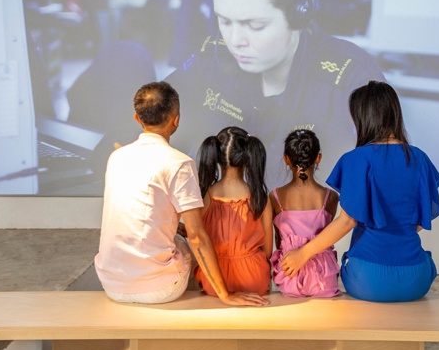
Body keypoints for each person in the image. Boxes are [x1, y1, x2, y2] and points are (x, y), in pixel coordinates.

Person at [166, 0, 385, 189]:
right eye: (225, 21)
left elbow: (388, 194)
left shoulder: (352, 80)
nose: (235, 40)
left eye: (255, 25)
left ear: (298, 14)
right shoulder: (209, 61)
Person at [93, 81, 268, 306]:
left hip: (111, 284)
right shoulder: (179, 163)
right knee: (186, 243)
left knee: (172, 234)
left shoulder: (116, 158)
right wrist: (226, 295)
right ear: (176, 119)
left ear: (138, 118)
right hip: (158, 290)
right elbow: (196, 237)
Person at [280, 81, 439, 303]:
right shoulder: (419, 158)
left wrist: (303, 254)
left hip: (370, 281)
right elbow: (421, 221)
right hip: (417, 279)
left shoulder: (355, 159)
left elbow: (347, 222)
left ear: (363, 118)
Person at [194, 126, 273, 296]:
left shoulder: (204, 196)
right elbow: (267, 251)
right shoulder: (260, 197)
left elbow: (197, 238)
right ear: (247, 158)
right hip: (254, 278)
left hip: (214, 280)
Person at [270, 129, 340, 297]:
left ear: (286, 159)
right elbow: (328, 235)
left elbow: (279, 240)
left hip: (289, 274)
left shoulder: (275, 197)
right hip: (323, 277)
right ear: (318, 158)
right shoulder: (330, 197)